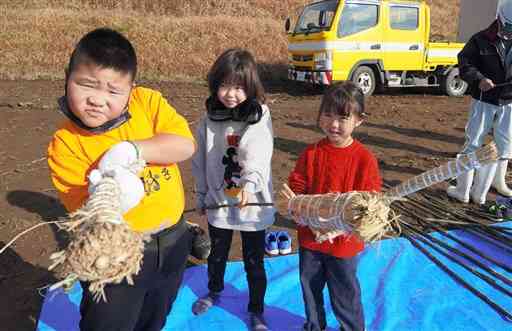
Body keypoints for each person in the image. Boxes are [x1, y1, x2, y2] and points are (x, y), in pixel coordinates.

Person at [47, 28, 196, 331]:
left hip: (173, 241)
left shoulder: (148, 103)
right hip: (115, 256)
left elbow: (184, 145)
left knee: (155, 317)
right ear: (67, 76)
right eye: (86, 85)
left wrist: (133, 149)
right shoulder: (65, 143)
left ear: (131, 89)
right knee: (108, 323)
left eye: (113, 91)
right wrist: (117, 187)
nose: (97, 100)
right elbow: (92, 212)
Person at [191, 48, 275, 331]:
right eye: (224, 85)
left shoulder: (259, 115)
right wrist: (201, 194)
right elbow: (200, 160)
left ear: (250, 88)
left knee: (254, 261)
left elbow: (257, 150)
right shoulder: (208, 120)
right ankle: (213, 291)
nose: (230, 94)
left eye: (238, 87)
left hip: (252, 202)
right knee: (217, 253)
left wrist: (250, 184)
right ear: (215, 86)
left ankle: (257, 310)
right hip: (219, 200)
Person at [288, 82, 381, 331]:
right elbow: (297, 184)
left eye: (343, 117)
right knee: (310, 287)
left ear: (359, 120)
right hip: (311, 239)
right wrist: (295, 204)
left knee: (345, 293)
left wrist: (351, 224)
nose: (334, 124)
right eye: (328, 115)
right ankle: (314, 325)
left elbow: (370, 200)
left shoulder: (364, 159)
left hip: (344, 245)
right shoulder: (311, 153)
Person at [447, 0, 512, 204]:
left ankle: (487, 189)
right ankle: (463, 190)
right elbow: (464, 63)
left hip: (509, 100)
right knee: (473, 142)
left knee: (504, 144)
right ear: (500, 20)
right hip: (484, 100)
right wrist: (479, 79)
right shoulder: (480, 39)